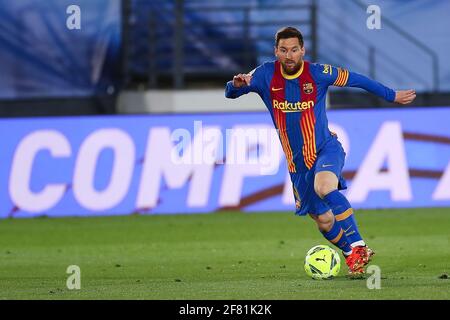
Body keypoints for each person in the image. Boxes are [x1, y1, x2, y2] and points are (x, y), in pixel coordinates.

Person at [225, 26, 416, 275]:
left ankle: (359, 245)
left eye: (294, 50)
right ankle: (352, 255)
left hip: (325, 148)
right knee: (323, 220)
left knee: (324, 187)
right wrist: (236, 85)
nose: (289, 55)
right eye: (283, 50)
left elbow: (358, 79)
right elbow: (231, 92)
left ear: (302, 50)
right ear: (276, 52)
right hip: (297, 164)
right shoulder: (264, 74)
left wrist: (392, 95)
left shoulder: (318, 73)